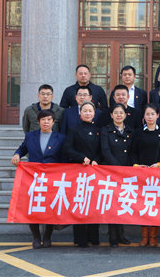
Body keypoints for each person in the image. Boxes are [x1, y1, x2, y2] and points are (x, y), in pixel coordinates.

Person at [12, 109, 65, 249]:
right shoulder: (30, 136)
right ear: (38, 121)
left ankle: (47, 236)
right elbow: (22, 149)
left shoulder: (60, 138)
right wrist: (17, 154)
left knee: (50, 207)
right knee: (33, 207)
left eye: (49, 119)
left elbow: (64, 157)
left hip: (52, 178)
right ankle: (36, 237)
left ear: (53, 122)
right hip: (34, 178)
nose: (46, 122)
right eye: (43, 119)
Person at [63, 101, 102, 248]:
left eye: (90, 111)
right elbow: (67, 148)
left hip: (95, 173)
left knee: (94, 205)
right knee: (79, 204)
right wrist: (81, 158)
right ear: (80, 113)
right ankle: (80, 239)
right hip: (79, 172)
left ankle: (94, 237)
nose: (87, 113)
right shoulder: (74, 129)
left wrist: (97, 160)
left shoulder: (99, 130)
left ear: (94, 113)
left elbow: (102, 149)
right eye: (85, 110)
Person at [131, 104, 160, 247]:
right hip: (141, 174)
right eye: (147, 114)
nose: (150, 117)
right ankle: (144, 236)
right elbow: (133, 152)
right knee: (142, 205)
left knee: (155, 205)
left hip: (157, 175)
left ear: (157, 115)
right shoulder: (138, 132)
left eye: (152, 114)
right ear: (144, 117)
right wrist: (136, 166)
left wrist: (159, 164)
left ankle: (153, 237)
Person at [99, 103, 133, 247]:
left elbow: (132, 151)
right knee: (112, 204)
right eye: (116, 113)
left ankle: (121, 234)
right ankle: (112, 236)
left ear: (125, 115)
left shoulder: (130, 130)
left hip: (126, 172)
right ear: (111, 115)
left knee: (122, 203)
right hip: (111, 172)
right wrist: (117, 168)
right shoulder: (105, 130)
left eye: (121, 113)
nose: (119, 115)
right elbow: (105, 150)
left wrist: (127, 168)